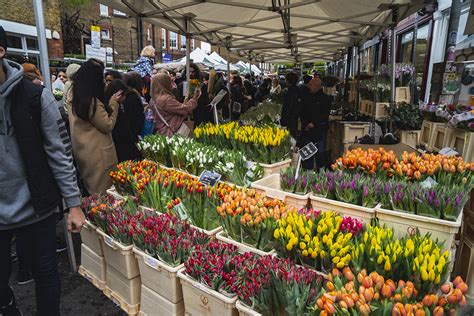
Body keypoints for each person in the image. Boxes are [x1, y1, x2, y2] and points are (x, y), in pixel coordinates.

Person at [0, 25, 85, 316]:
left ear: (1, 51)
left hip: (38, 205)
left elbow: (59, 152)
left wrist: (73, 204)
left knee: (47, 275)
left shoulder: (35, 96)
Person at [67, 59, 124, 195]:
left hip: (83, 151)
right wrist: (114, 103)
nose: (103, 81)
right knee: (103, 194)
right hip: (98, 155)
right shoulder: (92, 102)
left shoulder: (73, 95)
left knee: (91, 189)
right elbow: (107, 125)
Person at [151, 73, 200, 137]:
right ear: (165, 83)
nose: (171, 84)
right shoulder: (167, 99)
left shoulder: (153, 99)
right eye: (169, 82)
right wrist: (194, 99)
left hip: (160, 131)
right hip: (170, 132)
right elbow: (185, 109)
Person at [105, 79, 142, 162]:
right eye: (123, 95)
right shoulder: (113, 107)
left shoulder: (117, 106)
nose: (125, 98)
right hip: (121, 146)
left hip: (121, 145)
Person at [299, 78, 331, 170]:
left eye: (310, 85)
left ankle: (321, 171)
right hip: (307, 130)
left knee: (320, 153)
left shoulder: (325, 98)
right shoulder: (306, 97)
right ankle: (307, 171)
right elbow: (302, 112)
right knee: (307, 153)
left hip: (320, 130)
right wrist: (305, 124)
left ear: (317, 86)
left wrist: (314, 123)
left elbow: (324, 114)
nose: (308, 87)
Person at [280, 72, 301, 138]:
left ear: (289, 81)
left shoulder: (291, 92)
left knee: (290, 137)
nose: (285, 81)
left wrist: (283, 120)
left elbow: (288, 107)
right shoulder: (297, 90)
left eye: (286, 80)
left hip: (290, 120)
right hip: (295, 119)